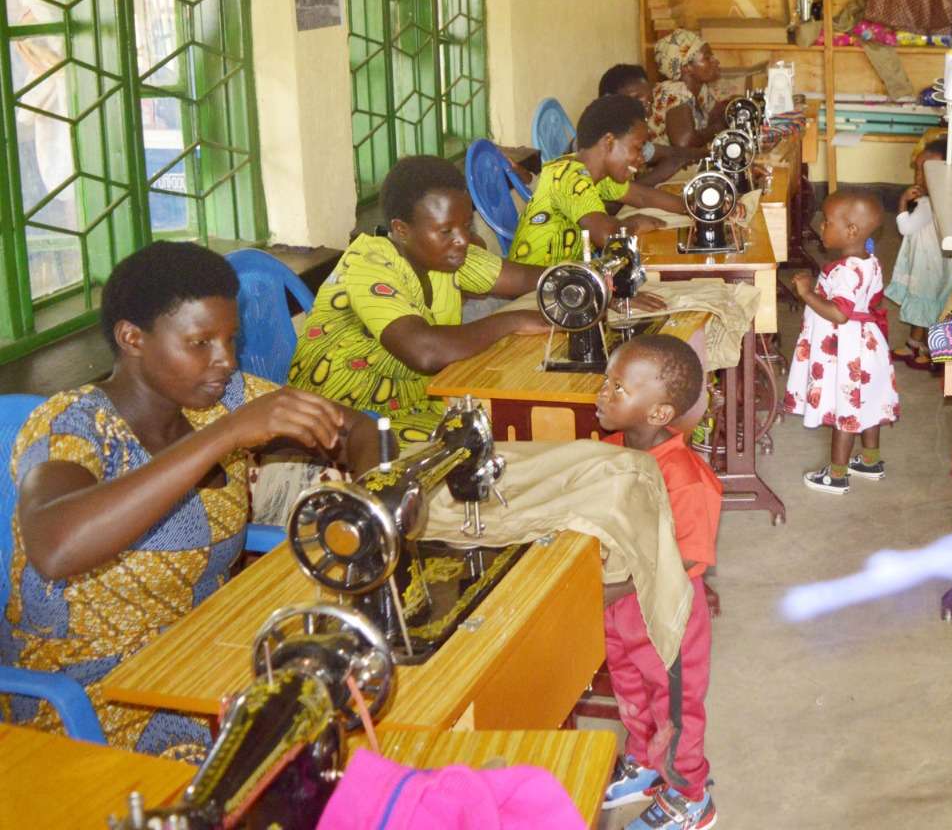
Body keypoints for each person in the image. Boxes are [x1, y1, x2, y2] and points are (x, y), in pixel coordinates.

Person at [6, 242, 375, 759]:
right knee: (284, 762)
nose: (225, 359)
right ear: (132, 339)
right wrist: (224, 437)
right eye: (200, 342)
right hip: (91, 700)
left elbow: (358, 430)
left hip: (200, 660)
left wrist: (369, 501)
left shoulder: (224, 399)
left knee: (357, 704)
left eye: (230, 339)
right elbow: (57, 545)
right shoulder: (74, 425)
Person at [288, 155, 550, 442]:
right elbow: (424, 351)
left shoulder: (443, 256)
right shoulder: (368, 263)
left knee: (515, 424)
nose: (462, 239)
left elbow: (529, 279)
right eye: (446, 230)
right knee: (491, 444)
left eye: (466, 225)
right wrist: (513, 321)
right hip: (343, 428)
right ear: (402, 230)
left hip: (411, 408)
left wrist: (587, 279)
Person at [595, 336, 721, 830]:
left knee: (674, 707)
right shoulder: (606, 451)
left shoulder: (687, 479)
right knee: (630, 687)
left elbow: (689, 555)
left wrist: (616, 586)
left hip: (668, 617)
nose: (603, 394)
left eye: (618, 388)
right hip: (620, 610)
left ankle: (689, 794)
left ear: (658, 411)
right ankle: (647, 763)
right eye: (606, 382)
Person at [785, 190, 900, 495]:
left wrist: (807, 293)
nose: (820, 226)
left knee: (845, 408)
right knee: (867, 402)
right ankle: (870, 461)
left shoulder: (847, 272)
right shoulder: (869, 260)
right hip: (868, 345)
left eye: (827, 222)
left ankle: (837, 475)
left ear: (851, 230)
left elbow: (840, 313)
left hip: (847, 349)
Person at [509, 94, 686, 267]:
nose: (641, 158)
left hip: (566, 277)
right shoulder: (567, 175)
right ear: (609, 141)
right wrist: (634, 224)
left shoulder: (598, 174)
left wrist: (695, 207)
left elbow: (643, 197)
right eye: (637, 148)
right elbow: (606, 236)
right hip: (535, 284)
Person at [885, 138, 952, 370]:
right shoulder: (944, 198)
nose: (919, 177)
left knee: (923, 303)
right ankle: (914, 343)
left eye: (925, 172)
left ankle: (926, 350)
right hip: (940, 262)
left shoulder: (928, 204)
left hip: (927, 263)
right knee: (929, 303)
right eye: (918, 170)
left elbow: (905, 228)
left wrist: (902, 202)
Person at [600, 64, 689, 186]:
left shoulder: (631, 136)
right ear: (611, 103)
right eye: (637, 99)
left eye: (650, 101)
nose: (647, 109)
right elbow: (616, 200)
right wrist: (660, 174)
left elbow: (672, 153)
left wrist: (706, 153)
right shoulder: (605, 143)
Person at [649, 30, 727, 152]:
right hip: (668, 167)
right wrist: (717, 129)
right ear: (686, 67)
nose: (716, 61)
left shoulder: (702, 89)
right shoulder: (673, 91)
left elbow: (720, 115)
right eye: (707, 58)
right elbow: (684, 142)